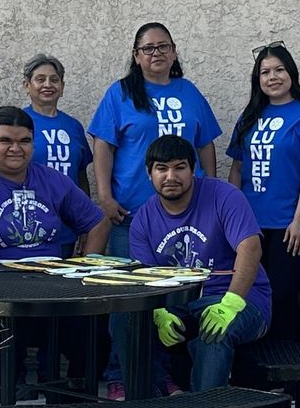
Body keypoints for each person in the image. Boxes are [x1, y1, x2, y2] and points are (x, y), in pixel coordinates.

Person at [0, 106, 110, 407]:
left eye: (24, 141)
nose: (16, 148)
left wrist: (88, 263)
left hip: (54, 288)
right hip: (0, 291)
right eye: (5, 140)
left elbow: (98, 222)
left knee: (92, 334)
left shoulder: (52, 180)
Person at [110, 135, 270, 399]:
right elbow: (146, 276)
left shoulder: (224, 196)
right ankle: (150, 404)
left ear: (193, 169)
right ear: (149, 173)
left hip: (236, 298)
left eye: (179, 167)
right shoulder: (142, 219)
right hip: (178, 303)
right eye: (162, 168)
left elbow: (250, 248)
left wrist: (231, 302)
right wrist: (159, 313)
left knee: (214, 333)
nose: (170, 176)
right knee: (126, 318)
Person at [88, 22, 224, 257]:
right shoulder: (120, 93)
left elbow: (204, 145)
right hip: (131, 211)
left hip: (189, 210)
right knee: (131, 277)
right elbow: (103, 146)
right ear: (136, 56)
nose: (157, 53)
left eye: (163, 47)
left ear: (173, 52)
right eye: (148, 48)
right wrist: (105, 197)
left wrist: (210, 188)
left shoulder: (189, 91)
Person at [226, 43, 300, 343]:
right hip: (251, 227)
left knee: (282, 295)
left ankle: (291, 362)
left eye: (279, 70)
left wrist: (299, 220)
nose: (273, 77)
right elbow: (236, 169)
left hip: (289, 226)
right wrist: (232, 220)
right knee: (252, 295)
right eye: (265, 72)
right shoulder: (249, 117)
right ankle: (257, 364)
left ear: (291, 73)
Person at [23, 54, 92, 186]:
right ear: (27, 86)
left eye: (54, 80)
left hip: (69, 199)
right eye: (40, 79)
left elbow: (81, 175)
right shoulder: (18, 122)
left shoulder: (74, 126)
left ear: (62, 87)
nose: (48, 85)